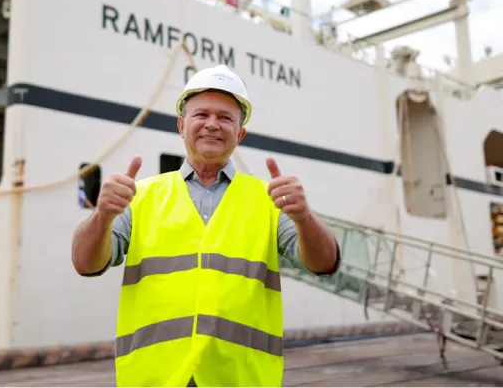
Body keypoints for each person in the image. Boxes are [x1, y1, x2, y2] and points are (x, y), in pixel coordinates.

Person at [71, 64, 340, 387]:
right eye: (201, 115)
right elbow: (85, 263)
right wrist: (102, 216)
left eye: (225, 118)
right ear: (181, 125)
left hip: (239, 380)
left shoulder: (269, 201)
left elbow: (324, 263)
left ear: (240, 134)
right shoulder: (139, 197)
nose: (212, 124)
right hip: (156, 380)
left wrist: (304, 217)